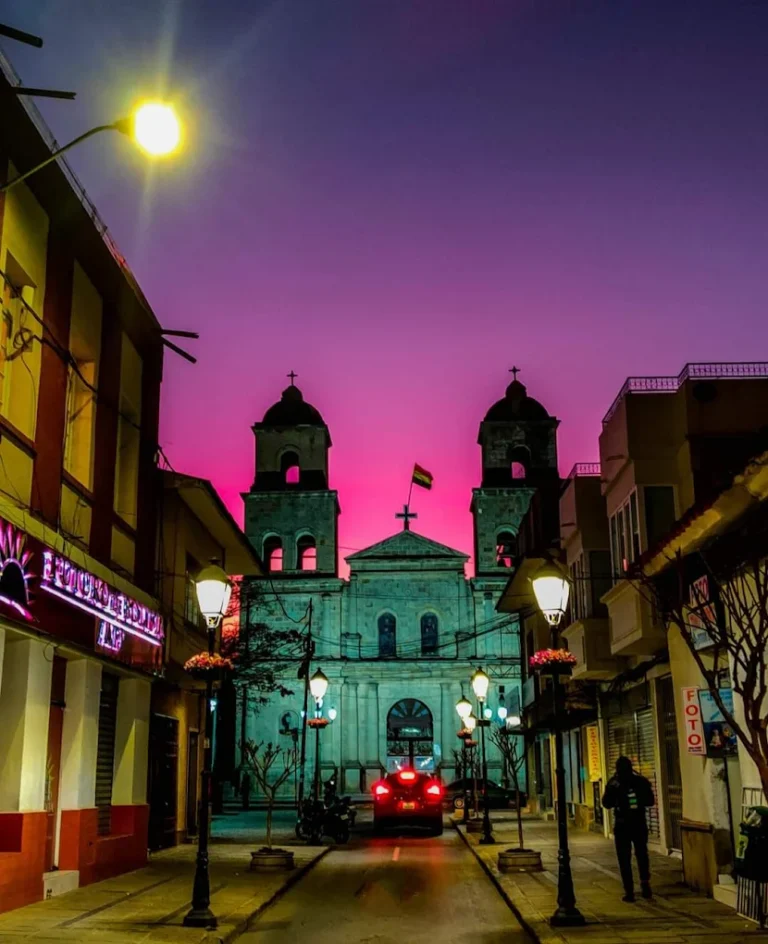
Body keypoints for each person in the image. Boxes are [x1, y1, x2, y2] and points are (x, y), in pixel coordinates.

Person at [602, 756, 655, 902]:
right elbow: (650, 801)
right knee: (642, 854)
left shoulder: (614, 783)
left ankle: (629, 891)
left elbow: (606, 803)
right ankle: (645, 885)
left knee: (624, 858)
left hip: (622, 825)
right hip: (639, 823)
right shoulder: (641, 781)